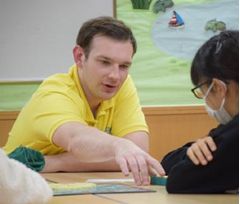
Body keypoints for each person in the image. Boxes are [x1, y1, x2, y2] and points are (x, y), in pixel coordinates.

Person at [3, 16, 165, 185]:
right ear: (79, 56)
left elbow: (136, 153)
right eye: (105, 62)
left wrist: (54, 162)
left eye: (124, 66)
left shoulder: (123, 86)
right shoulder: (54, 91)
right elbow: (76, 140)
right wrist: (118, 146)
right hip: (14, 186)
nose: (115, 76)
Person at [161, 30, 239, 193]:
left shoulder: (234, 137)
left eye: (203, 92)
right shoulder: (230, 130)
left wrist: (197, 153)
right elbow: (167, 162)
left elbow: (178, 180)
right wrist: (194, 150)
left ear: (218, 87)